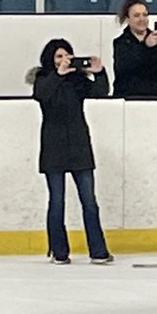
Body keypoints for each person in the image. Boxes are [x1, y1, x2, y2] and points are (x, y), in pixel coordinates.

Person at [28, 39, 113, 265]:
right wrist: (58, 74)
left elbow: (101, 92)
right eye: (58, 56)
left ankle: (98, 251)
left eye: (67, 56)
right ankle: (59, 251)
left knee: (89, 201)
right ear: (50, 60)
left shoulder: (77, 82)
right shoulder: (43, 79)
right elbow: (42, 95)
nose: (63, 60)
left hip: (79, 145)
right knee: (57, 201)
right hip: (53, 146)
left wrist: (100, 72)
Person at [112, 0, 157, 98]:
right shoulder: (120, 43)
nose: (142, 19)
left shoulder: (156, 38)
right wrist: (146, 46)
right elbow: (125, 67)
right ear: (128, 19)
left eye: (145, 15)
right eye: (136, 15)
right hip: (131, 98)